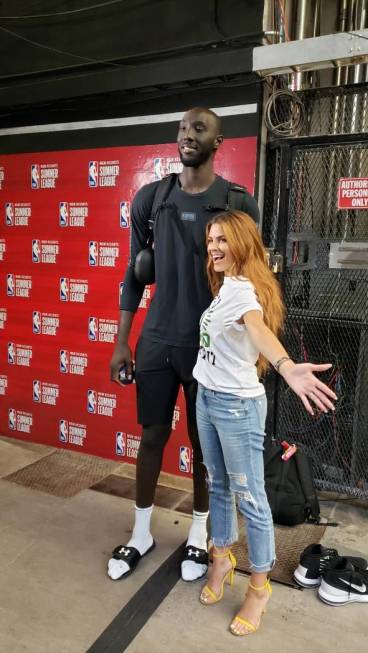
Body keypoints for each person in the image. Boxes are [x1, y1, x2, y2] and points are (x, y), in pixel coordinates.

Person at [108, 107, 260, 582]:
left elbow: (256, 283)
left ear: (219, 142)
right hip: (155, 340)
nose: (187, 135)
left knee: (202, 446)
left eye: (199, 129)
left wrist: (258, 353)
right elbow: (134, 276)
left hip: (208, 349)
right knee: (151, 436)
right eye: (182, 128)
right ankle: (141, 534)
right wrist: (121, 341)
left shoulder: (238, 203)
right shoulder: (152, 199)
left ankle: (198, 536)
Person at [192, 210, 337, 636]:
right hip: (207, 398)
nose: (215, 248)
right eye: (211, 240)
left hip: (236, 408)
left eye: (223, 240)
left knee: (251, 498)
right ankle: (221, 558)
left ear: (241, 243)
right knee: (217, 484)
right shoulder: (226, 287)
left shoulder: (244, 294)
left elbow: (257, 328)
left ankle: (258, 587)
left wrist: (286, 365)